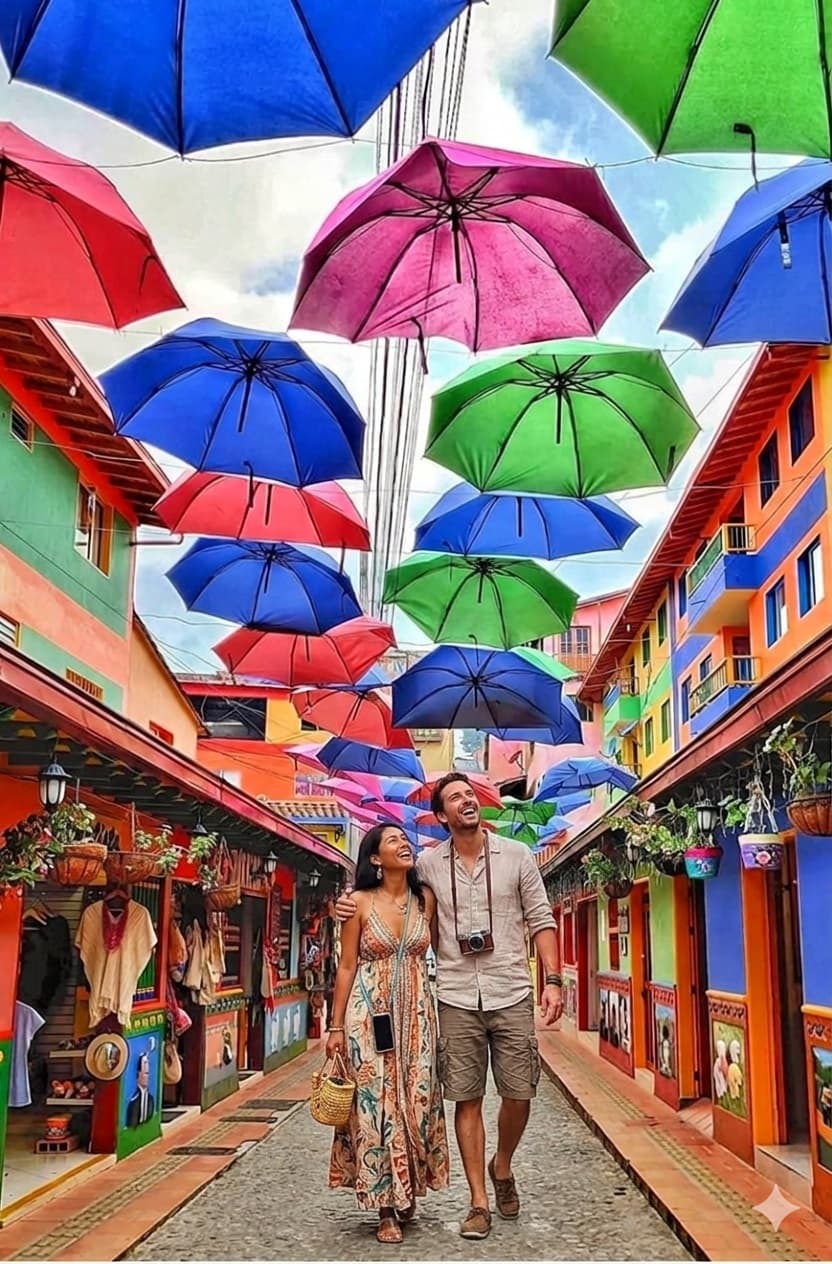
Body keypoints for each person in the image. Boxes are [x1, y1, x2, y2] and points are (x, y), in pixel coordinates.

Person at [336, 772, 562, 1240]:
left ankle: (502, 1165)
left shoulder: (517, 856)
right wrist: (345, 905)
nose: (466, 801)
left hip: (509, 989)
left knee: (520, 1093)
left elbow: (541, 918)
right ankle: (478, 1201)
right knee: (465, 1097)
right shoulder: (429, 867)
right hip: (454, 996)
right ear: (441, 816)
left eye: (469, 794)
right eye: (455, 798)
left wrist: (553, 979)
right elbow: (379, 899)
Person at [327, 824, 448, 1245]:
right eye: (392, 840)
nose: (403, 843)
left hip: (418, 1015)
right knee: (377, 1106)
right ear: (375, 859)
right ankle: (385, 1207)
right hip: (368, 1016)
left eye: (405, 838)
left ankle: (408, 1182)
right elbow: (345, 966)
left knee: (416, 1100)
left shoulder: (424, 899)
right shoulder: (357, 903)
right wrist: (335, 1026)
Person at [126, 1052, 155, 1127]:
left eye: (148, 1073)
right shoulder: (133, 1102)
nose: (147, 1077)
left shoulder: (151, 1100)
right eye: (145, 1073)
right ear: (138, 1075)